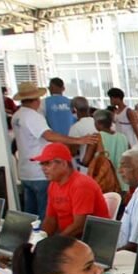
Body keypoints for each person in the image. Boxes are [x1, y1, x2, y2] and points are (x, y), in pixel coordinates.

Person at [12, 82, 98, 218]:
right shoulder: (33, 116)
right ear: (37, 100)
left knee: (30, 216)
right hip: (39, 171)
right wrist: (78, 140)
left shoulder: (17, 115)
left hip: (25, 171)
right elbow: (49, 135)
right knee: (45, 214)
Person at [35, 143, 109, 237]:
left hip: (91, 240)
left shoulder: (81, 185)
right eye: (41, 164)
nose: (43, 168)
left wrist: (53, 242)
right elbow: (50, 219)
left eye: (47, 163)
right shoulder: (53, 185)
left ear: (63, 164)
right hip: (70, 239)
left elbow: (80, 226)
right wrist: (40, 239)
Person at [83, 109, 130, 192]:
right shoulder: (123, 137)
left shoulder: (96, 137)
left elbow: (86, 161)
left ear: (98, 122)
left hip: (106, 184)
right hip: (124, 183)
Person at [68, 96, 96, 171]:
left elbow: (72, 151)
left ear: (74, 110)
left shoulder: (76, 127)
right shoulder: (99, 123)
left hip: (86, 166)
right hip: (103, 165)